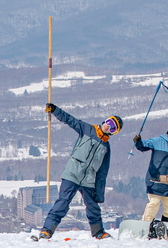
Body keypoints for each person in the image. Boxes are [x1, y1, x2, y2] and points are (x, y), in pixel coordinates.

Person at [33, 103, 121, 240]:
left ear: (114, 133)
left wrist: (99, 193)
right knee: (63, 202)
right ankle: (47, 230)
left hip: (88, 179)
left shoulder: (106, 147)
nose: (108, 127)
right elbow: (70, 120)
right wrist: (55, 110)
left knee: (93, 207)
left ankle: (98, 232)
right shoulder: (87, 129)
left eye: (113, 128)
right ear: (104, 121)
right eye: (109, 123)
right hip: (72, 174)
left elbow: (102, 172)